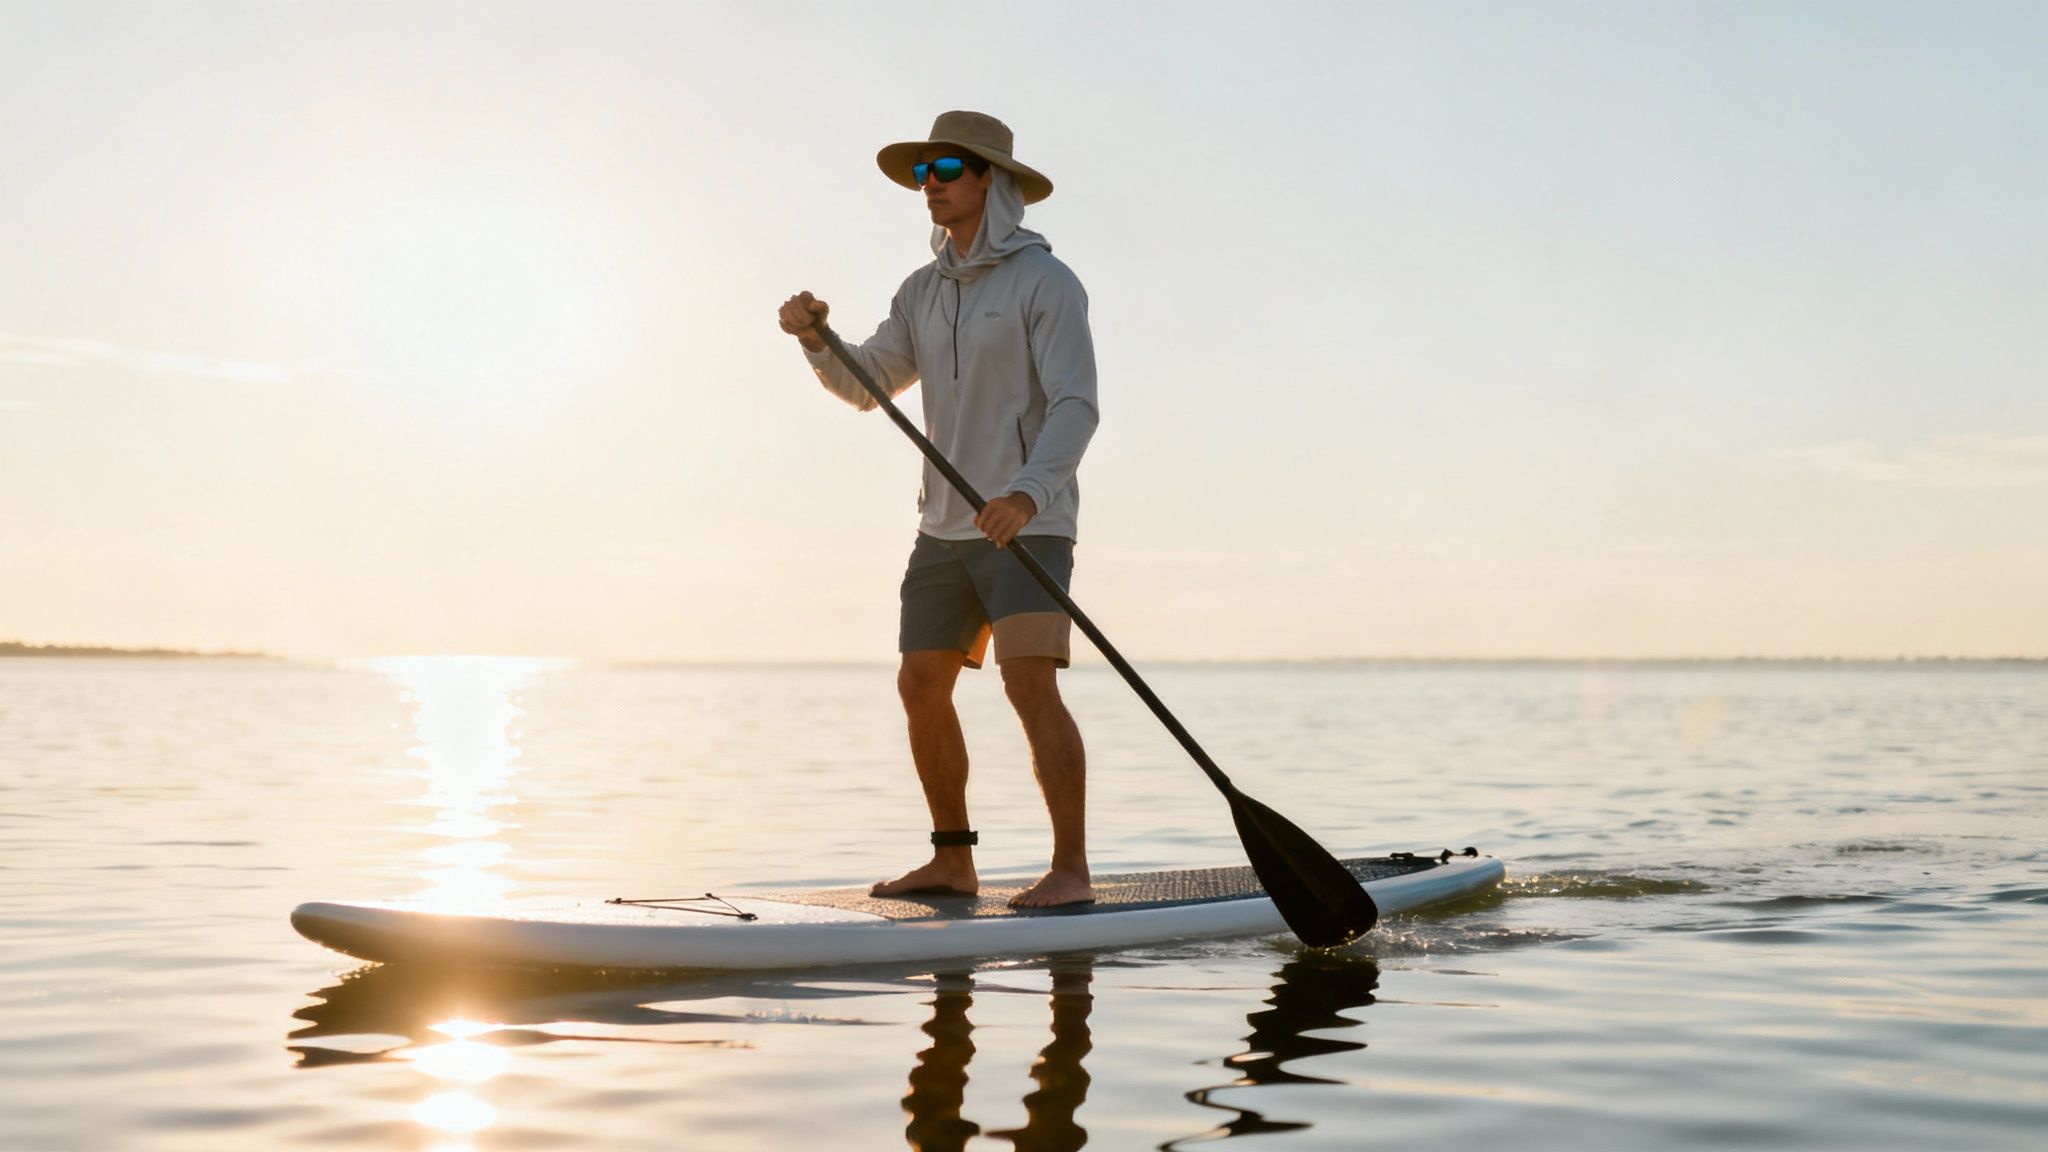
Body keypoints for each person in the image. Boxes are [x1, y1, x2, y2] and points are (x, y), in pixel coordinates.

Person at [777, 110, 1100, 908]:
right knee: (920, 683)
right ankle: (953, 861)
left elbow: (1076, 404)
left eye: (947, 169)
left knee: (1029, 685)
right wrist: (820, 342)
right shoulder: (920, 292)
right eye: (923, 173)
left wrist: (1027, 494)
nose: (931, 186)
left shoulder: (1046, 282)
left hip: (1030, 524)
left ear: (990, 179)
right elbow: (868, 385)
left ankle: (1070, 871)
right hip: (943, 530)